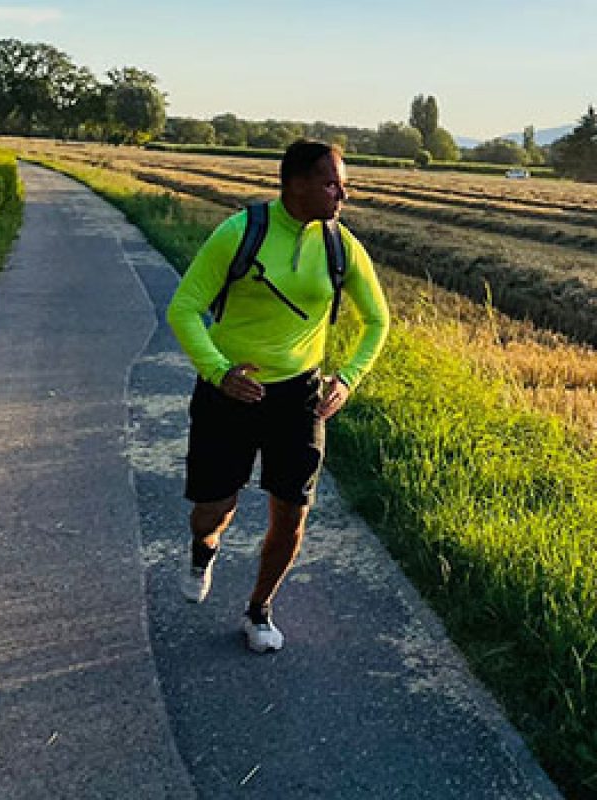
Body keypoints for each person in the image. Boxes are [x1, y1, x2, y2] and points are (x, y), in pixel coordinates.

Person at [166, 140, 389, 652]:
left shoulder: (341, 246)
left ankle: (259, 610)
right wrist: (219, 372)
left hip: (301, 398)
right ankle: (203, 549)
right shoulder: (240, 233)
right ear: (296, 183)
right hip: (230, 393)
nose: (343, 194)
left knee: (292, 511)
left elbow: (378, 320)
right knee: (212, 510)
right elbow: (184, 308)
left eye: (343, 182)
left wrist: (348, 378)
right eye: (332, 182)